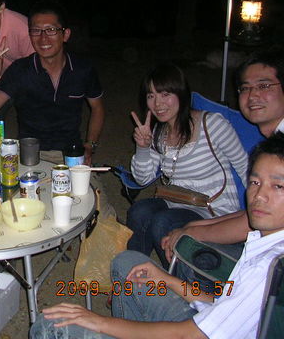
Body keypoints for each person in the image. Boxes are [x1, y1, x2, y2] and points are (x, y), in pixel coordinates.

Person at [30, 132, 284, 339]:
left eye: (278, 186)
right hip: (210, 321)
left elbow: (189, 335)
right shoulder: (265, 242)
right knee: (128, 262)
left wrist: (98, 322)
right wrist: (168, 280)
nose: (259, 196)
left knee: (52, 326)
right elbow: (225, 304)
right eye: (255, 182)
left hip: (193, 333)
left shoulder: (268, 266)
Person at [161, 47, 284, 262]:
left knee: (193, 250)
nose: (253, 95)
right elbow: (255, 212)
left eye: (264, 86)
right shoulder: (274, 141)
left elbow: (256, 222)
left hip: (274, 262)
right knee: (174, 228)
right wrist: (195, 226)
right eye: (245, 88)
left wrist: (193, 233)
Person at [128, 64, 247, 267]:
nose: (157, 103)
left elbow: (245, 167)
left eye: (165, 94)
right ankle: (133, 270)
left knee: (162, 222)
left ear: (181, 94)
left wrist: (253, 216)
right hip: (176, 201)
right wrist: (143, 147)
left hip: (211, 209)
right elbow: (142, 179)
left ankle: (177, 277)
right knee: (139, 211)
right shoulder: (159, 133)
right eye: (151, 96)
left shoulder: (212, 125)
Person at [0, 0, 104, 159]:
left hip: (70, 154)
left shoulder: (82, 69)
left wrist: (90, 145)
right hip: (29, 154)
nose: (43, 38)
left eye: (51, 30)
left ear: (65, 35)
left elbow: (97, 108)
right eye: (36, 31)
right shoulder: (20, 70)